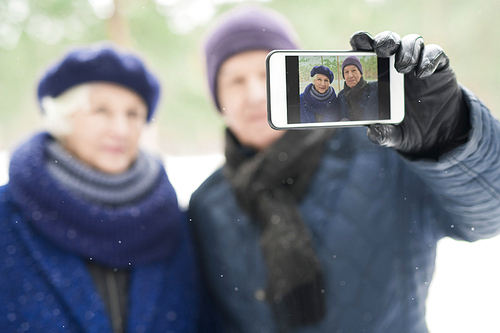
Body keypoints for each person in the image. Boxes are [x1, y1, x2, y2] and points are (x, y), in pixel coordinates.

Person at [188, 5, 500, 333]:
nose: (253, 94)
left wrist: (451, 134)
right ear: (217, 96)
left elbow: (489, 212)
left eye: (267, 74)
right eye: (235, 81)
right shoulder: (207, 206)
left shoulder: (384, 150)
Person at [0, 43, 208, 332]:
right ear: (62, 117)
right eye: (101, 111)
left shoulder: (173, 220)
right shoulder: (8, 215)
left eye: (133, 114)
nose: (120, 130)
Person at [337, 55, 379, 120]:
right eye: (346, 72)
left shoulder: (374, 89)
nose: (350, 75)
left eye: (354, 70)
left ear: (360, 73)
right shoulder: (341, 96)